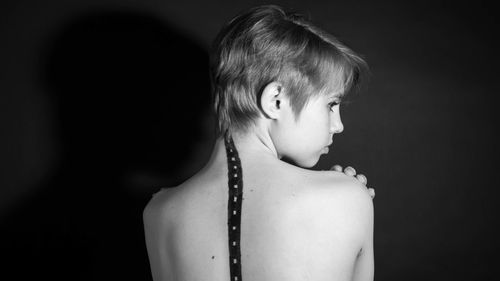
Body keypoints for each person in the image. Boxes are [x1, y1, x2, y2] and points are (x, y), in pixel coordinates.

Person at [143, 5, 374, 281]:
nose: (338, 125)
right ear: (275, 100)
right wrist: (349, 199)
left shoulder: (159, 212)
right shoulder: (345, 198)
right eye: (331, 104)